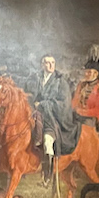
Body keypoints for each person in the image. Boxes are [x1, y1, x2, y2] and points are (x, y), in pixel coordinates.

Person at [25, 54, 78, 185]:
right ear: (42, 65)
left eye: (52, 63)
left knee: (48, 142)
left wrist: (43, 104)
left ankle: (46, 177)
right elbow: (29, 95)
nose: (50, 65)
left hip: (52, 118)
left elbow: (64, 104)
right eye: (47, 63)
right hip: (34, 115)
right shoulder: (36, 79)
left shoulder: (61, 82)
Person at [71, 47, 99, 127]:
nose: (87, 74)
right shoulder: (81, 85)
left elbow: (98, 110)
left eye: (90, 72)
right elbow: (74, 101)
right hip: (76, 117)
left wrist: (81, 112)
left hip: (91, 120)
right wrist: (72, 110)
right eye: (86, 72)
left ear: (96, 74)